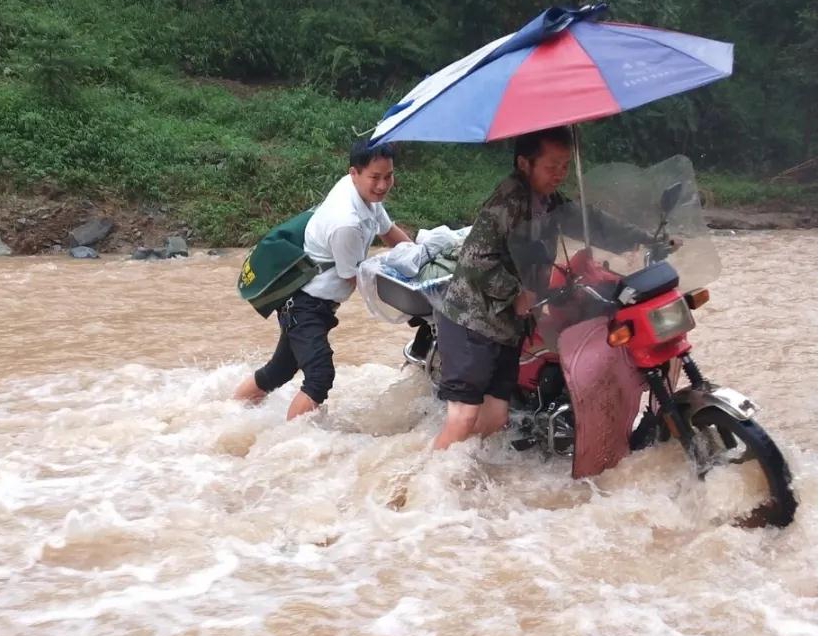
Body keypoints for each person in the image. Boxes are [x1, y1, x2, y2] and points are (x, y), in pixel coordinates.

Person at [432, 127, 650, 451]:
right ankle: (423, 476)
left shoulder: (549, 201)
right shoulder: (508, 201)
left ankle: (463, 472)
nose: (560, 174)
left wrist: (640, 238)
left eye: (565, 165)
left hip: (508, 325)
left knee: (495, 417)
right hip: (472, 321)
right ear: (525, 163)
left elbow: (589, 221)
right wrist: (515, 293)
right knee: (464, 417)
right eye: (551, 166)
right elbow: (475, 258)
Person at [234, 139, 413, 419]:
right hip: (305, 305)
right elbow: (356, 279)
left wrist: (419, 257)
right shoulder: (346, 222)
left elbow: (388, 231)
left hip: (311, 302)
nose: (382, 185)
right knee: (319, 376)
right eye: (375, 177)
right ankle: (289, 440)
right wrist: (410, 299)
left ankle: (227, 412)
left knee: (278, 371)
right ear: (354, 173)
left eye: (388, 176)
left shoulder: (363, 195)